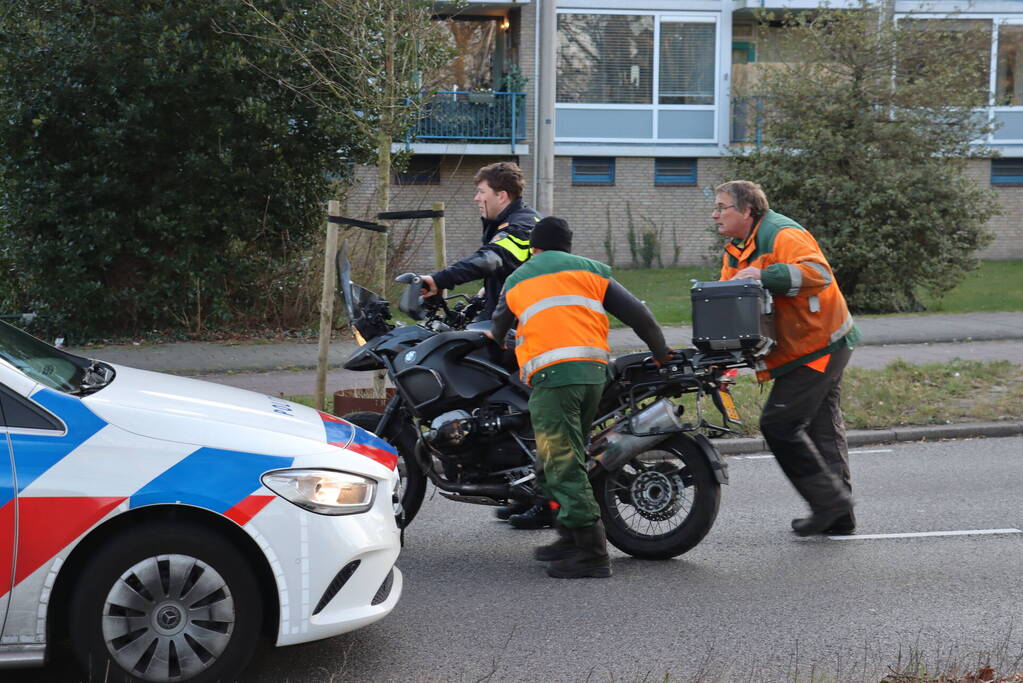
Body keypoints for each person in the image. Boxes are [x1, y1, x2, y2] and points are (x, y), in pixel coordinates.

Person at [487, 217, 671, 578]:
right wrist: (662, 353)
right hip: (595, 376)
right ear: (568, 247)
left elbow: (496, 331)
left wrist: (499, 340)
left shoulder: (519, 277)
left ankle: (591, 553)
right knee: (554, 458)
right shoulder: (592, 271)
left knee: (562, 463)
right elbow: (640, 315)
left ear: (533, 248)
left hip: (555, 380)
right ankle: (568, 536)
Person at [712, 180, 860, 536]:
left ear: (746, 210)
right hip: (806, 346)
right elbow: (729, 307)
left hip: (820, 344)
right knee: (821, 428)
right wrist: (720, 356)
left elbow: (819, 274)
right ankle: (838, 514)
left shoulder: (782, 234)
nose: (715, 214)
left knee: (780, 425)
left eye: (722, 207)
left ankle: (830, 504)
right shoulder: (735, 249)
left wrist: (765, 275)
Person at [419, 161, 547, 528]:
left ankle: (543, 499)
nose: (477, 198)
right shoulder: (507, 224)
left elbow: (492, 259)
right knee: (501, 406)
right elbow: (500, 276)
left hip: (524, 332)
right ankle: (520, 487)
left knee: (520, 413)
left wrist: (439, 279)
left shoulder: (521, 226)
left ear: (501, 195)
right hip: (508, 324)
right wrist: (476, 302)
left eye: (482, 192)